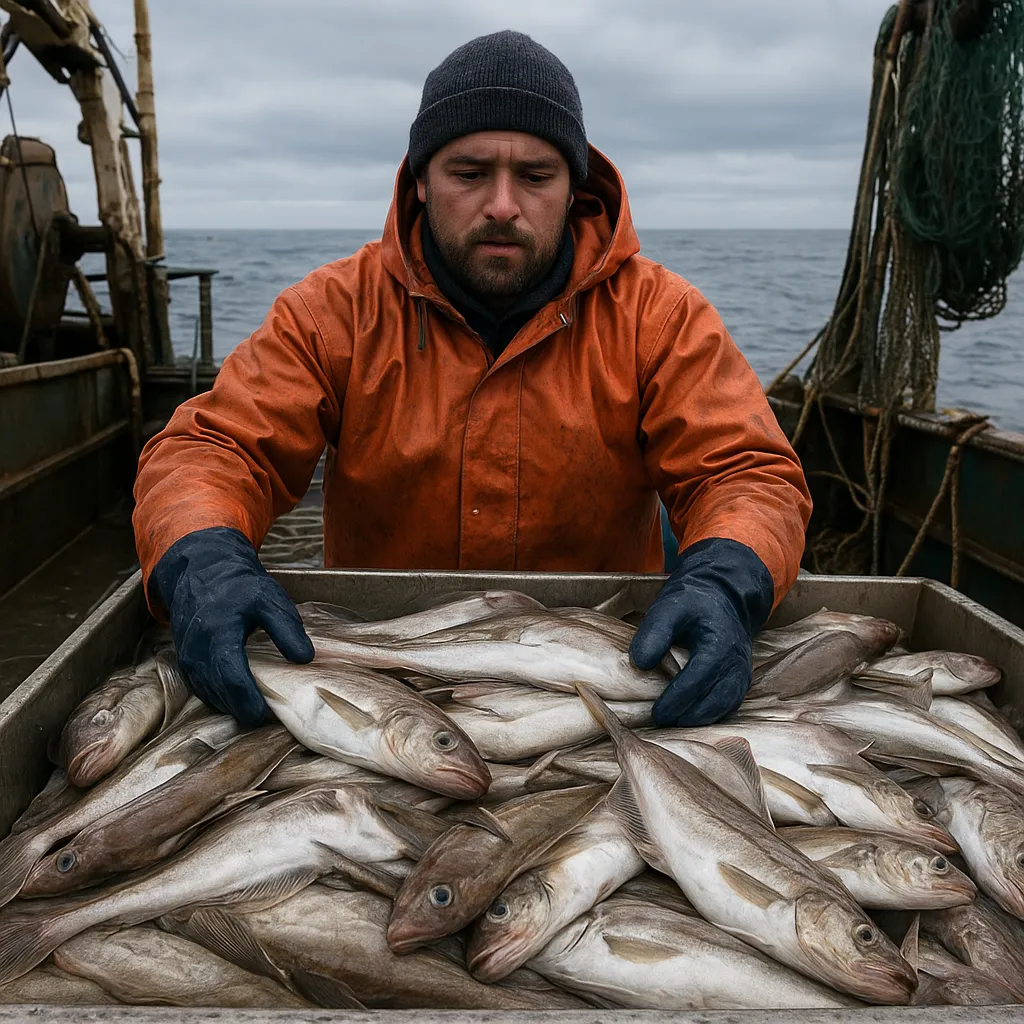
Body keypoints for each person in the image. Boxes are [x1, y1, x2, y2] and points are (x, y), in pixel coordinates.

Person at [134, 30, 812, 731]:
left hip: (610, 666)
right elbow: (215, 448)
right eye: (469, 172)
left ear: (574, 189)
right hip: (377, 672)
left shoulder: (659, 317)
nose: (502, 205)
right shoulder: (332, 312)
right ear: (421, 181)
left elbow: (743, 471)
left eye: (536, 176)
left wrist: (726, 580)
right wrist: (203, 559)